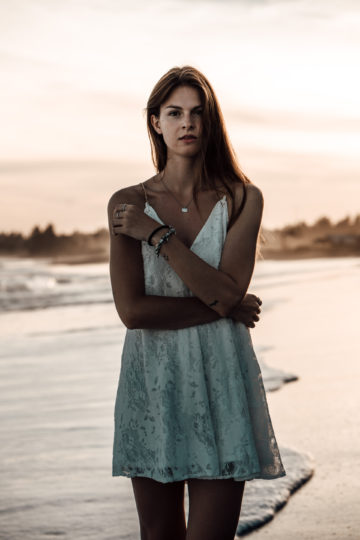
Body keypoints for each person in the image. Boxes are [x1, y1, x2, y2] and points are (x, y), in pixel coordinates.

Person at [107, 65, 286, 540]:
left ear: (210, 123)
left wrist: (158, 236)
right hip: (154, 381)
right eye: (175, 112)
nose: (187, 123)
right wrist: (222, 305)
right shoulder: (126, 202)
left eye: (197, 113)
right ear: (156, 122)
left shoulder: (244, 198)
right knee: (160, 533)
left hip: (223, 379)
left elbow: (229, 292)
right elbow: (134, 312)